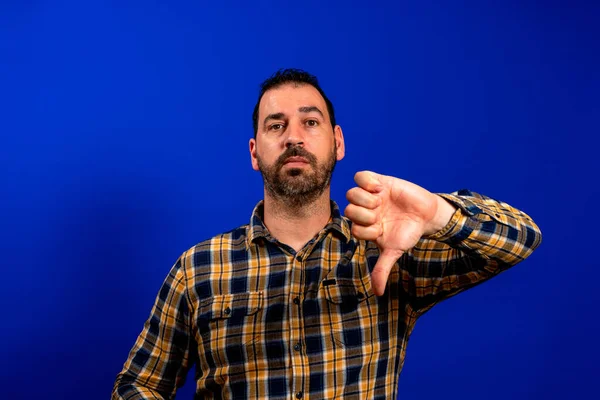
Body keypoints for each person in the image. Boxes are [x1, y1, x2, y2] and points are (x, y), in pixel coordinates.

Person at [112, 69, 542, 400]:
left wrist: (437, 212)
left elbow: (521, 238)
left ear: (337, 143)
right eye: (276, 125)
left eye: (310, 123)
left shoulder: (388, 252)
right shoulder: (198, 269)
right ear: (254, 152)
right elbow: (138, 384)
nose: (294, 137)